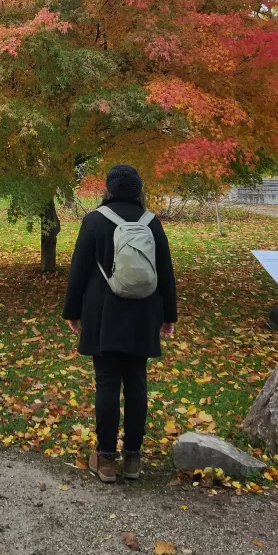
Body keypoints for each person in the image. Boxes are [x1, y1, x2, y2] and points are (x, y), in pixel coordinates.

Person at [62, 164, 177, 483]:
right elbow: (165, 271)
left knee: (108, 381)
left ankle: (107, 460)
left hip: (104, 314)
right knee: (137, 381)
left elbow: (79, 270)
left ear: (108, 190)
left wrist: (72, 311)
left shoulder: (95, 220)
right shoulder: (152, 223)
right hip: (144, 313)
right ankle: (133, 460)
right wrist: (169, 316)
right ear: (138, 191)